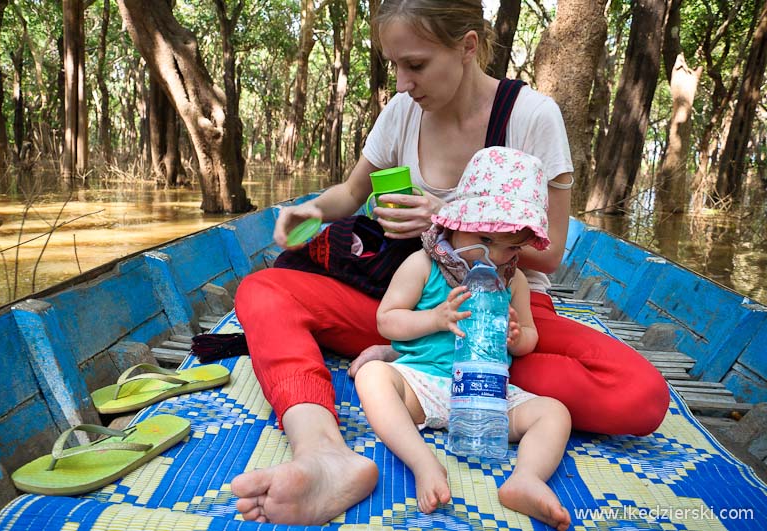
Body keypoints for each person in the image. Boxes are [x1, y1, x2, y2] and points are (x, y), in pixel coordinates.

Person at [232, 0, 669, 525]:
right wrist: (307, 213)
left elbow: (549, 252)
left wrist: (449, 216)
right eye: (393, 65)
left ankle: (429, 370)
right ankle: (324, 451)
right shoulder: (401, 113)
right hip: (411, 306)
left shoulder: (533, 117)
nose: (400, 83)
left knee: (641, 397)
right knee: (263, 290)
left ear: (467, 46)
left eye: (414, 65)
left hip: (504, 309)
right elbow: (351, 193)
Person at [355, 147, 571, 531]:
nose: (494, 255)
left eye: (512, 246)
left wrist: (515, 337)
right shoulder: (422, 266)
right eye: (485, 238)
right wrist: (435, 318)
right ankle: (423, 462)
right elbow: (387, 320)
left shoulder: (513, 279)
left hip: (487, 394)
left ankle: (527, 478)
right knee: (373, 377)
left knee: (554, 413)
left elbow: (530, 340)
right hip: (423, 385)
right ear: (455, 221)